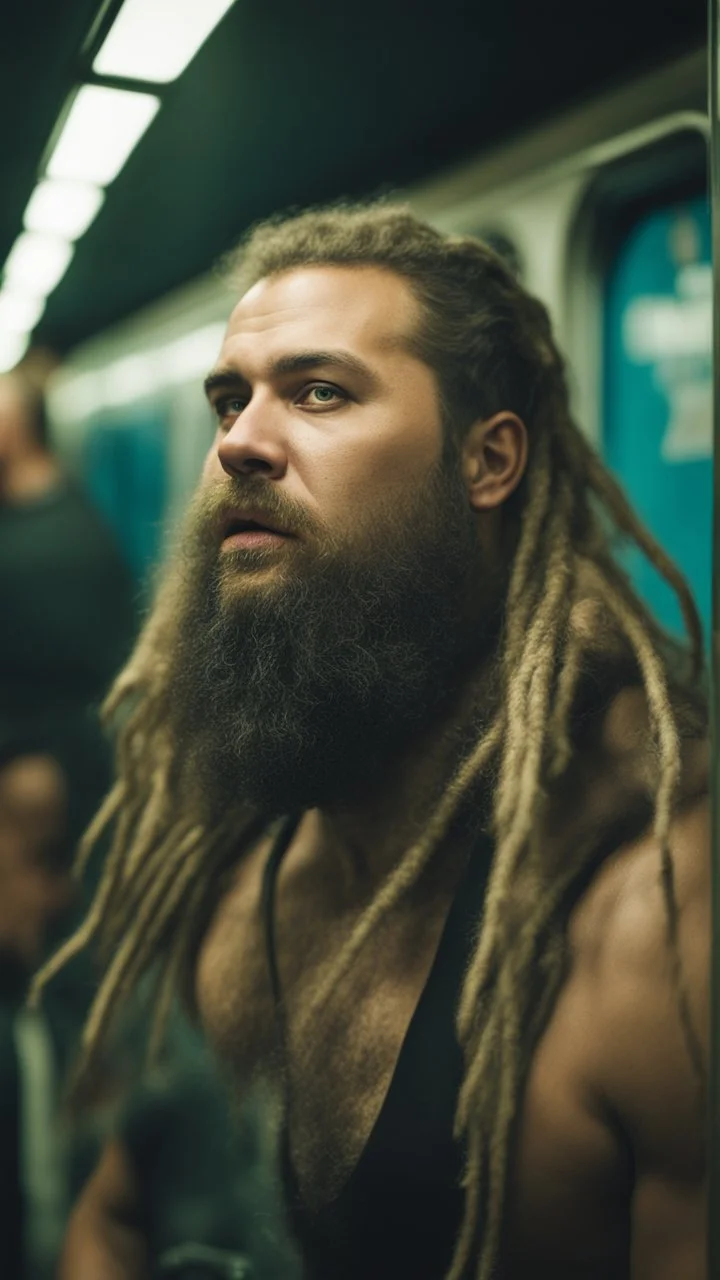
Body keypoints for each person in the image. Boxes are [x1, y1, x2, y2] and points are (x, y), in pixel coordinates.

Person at [37, 204, 710, 1280]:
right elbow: (115, 1215)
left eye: (319, 391)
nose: (239, 440)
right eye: (230, 397)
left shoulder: (650, 911)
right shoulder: (235, 847)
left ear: (487, 461)